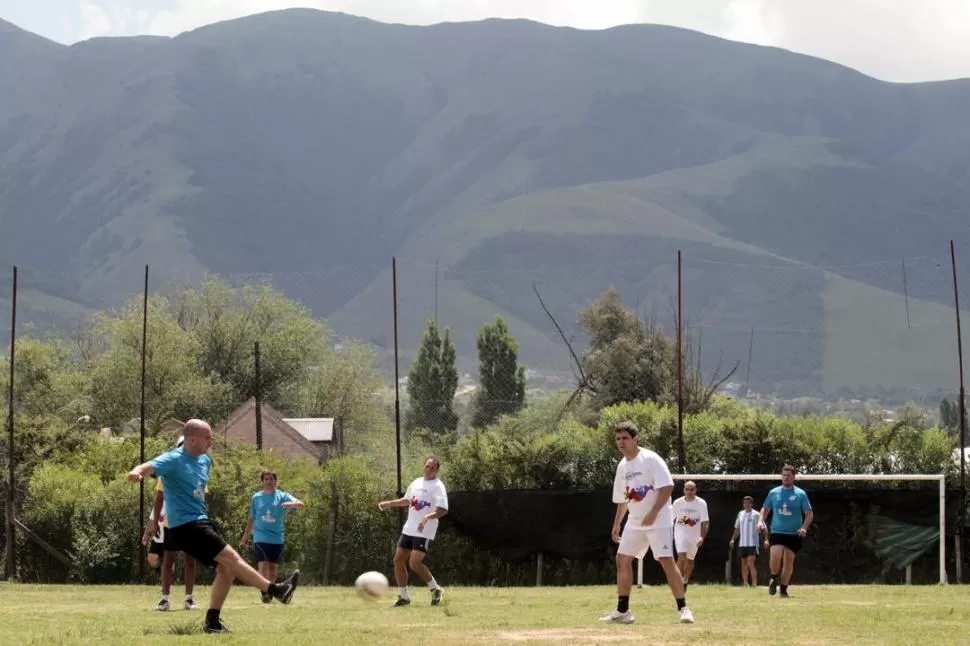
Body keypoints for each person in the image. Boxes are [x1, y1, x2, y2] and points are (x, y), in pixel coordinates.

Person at [127, 419, 300, 634]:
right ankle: (276, 589)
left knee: (226, 569)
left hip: (201, 520)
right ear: (192, 439)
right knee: (232, 559)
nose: (212, 441)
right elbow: (148, 466)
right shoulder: (173, 459)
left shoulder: (205, 461)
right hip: (186, 525)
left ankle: (212, 622)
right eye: (207, 437)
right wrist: (136, 472)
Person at [600, 421, 694, 625]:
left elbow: (667, 487)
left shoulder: (651, 458)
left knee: (665, 560)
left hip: (659, 520)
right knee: (622, 559)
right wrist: (617, 524)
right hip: (634, 522)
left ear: (635, 439)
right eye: (618, 439)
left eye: (625, 438)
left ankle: (683, 608)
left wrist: (653, 512)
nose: (621, 442)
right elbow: (623, 498)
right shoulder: (622, 466)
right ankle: (623, 611)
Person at [378, 456, 448, 607]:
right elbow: (407, 500)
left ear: (437, 471)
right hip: (409, 528)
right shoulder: (416, 482)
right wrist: (389, 504)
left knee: (414, 563)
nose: (429, 469)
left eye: (433, 467)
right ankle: (404, 597)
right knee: (398, 560)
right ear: (423, 466)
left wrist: (427, 517)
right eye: (427, 466)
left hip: (424, 530)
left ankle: (436, 589)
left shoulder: (438, 486)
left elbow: (443, 510)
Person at [141, 435, 198, 612]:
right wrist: (156, 522)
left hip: (191, 521)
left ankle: (189, 599)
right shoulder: (167, 470)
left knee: (190, 560)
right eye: (181, 446)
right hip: (170, 522)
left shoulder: (198, 468)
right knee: (167, 560)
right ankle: (165, 599)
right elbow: (159, 498)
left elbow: (201, 497)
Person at [240, 469, 305, 603]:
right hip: (260, 536)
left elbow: (301, 505)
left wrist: (291, 504)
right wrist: (246, 536)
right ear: (262, 481)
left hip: (277, 537)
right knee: (263, 565)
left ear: (276, 481)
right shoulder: (256, 497)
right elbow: (251, 518)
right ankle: (264, 592)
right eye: (266, 479)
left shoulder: (282, 496)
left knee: (273, 569)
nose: (269, 481)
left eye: (272, 479)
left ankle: (271, 592)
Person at [760, 464, 813, 598]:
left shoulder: (800, 494)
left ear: (794, 477)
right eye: (783, 475)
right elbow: (765, 509)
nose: (786, 478)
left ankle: (783, 589)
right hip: (777, 531)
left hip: (794, 533)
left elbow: (809, 514)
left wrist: (804, 528)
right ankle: (773, 577)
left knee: (789, 561)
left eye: (788, 475)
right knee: (775, 556)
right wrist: (760, 521)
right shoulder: (774, 493)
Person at [671, 480, 709, 590]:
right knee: (681, 556)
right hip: (680, 532)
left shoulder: (701, 503)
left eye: (692, 489)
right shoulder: (677, 503)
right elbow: (670, 519)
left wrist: (702, 536)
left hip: (694, 535)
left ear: (695, 490)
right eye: (687, 489)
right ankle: (678, 581)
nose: (689, 491)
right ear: (684, 490)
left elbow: (705, 522)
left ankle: (685, 580)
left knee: (690, 560)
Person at [728, 495, 766, 587]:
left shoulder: (757, 514)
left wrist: (766, 539)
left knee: (751, 563)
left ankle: (754, 583)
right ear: (743, 504)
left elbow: (764, 528)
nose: (747, 504)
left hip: (753, 543)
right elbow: (737, 529)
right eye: (745, 503)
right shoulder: (740, 514)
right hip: (742, 543)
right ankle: (745, 583)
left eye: (749, 503)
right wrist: (733, 539)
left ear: (752, 504)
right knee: (744, 564)